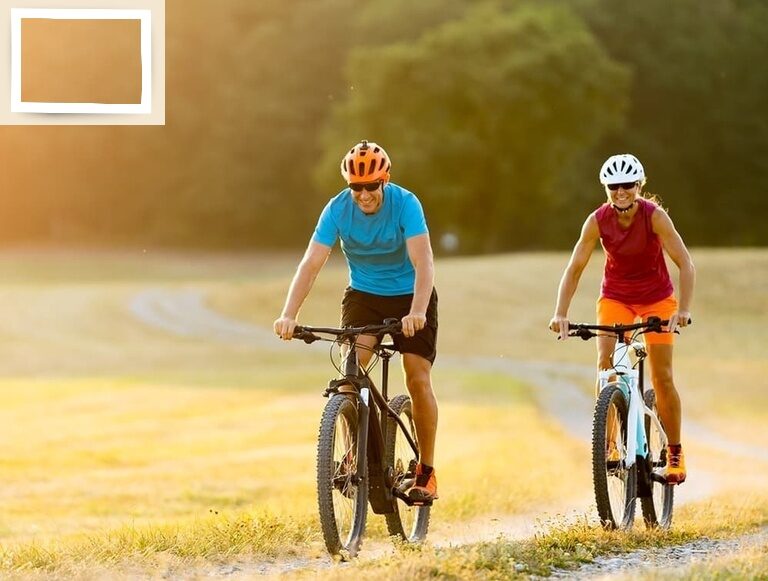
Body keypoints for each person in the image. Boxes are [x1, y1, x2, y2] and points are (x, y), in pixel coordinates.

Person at [273, 140, 439, 503]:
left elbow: (424, 262)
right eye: (356, 187)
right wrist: (289, 313)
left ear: (385, 180)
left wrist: (418, 311)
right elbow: (311, 263)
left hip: (411, 295)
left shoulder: (406, 204)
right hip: (364, 295)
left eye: (371, 186)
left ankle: (426, 471)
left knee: (417, 376)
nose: (363, 195)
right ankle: (353, 455)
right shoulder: (336, 210)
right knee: (350, 373)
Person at [548, 154, 695, 484]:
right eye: (614, 186)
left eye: (627, 185)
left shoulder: (654, 217)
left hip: (658, 298)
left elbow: (685, 263)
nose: (621, 191)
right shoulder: (597, 221)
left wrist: (683, 310)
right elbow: (574, 269)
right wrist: (561, 313)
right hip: (616, 298)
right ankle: (610, 446)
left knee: (662, 377)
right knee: (607, 368)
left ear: (639, 186)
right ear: (606, 189)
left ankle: (674, 452)